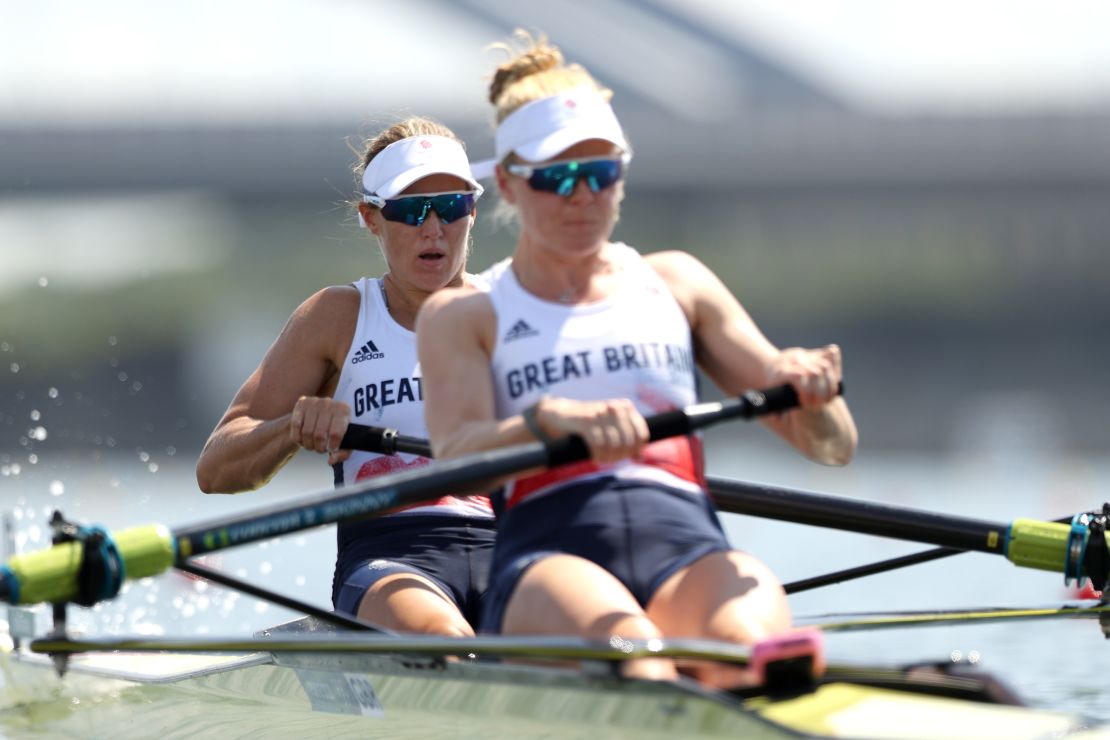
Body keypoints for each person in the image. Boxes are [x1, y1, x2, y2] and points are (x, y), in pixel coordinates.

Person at [416, 35, 858, 682]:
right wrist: (543, 422)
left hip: (686, 547)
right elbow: (457, 462)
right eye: (557, 177)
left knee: (744, 651)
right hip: (549, 559)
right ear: (507, 182)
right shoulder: (464, 312)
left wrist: (816, 395)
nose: (583, 197)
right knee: (636, 657)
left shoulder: (677, 284)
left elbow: (834, 447)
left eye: (601, 175)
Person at [196, 118, 496, 637]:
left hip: (512, 548)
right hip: (393, 557)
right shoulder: (338, 317)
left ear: (473, 210)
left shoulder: (514, 310)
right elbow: (216, 469)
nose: (433, 228)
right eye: (409, 210)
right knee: (453, 646)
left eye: (450, 206)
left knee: (621, 643)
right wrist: (293, 427)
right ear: (371, 218)